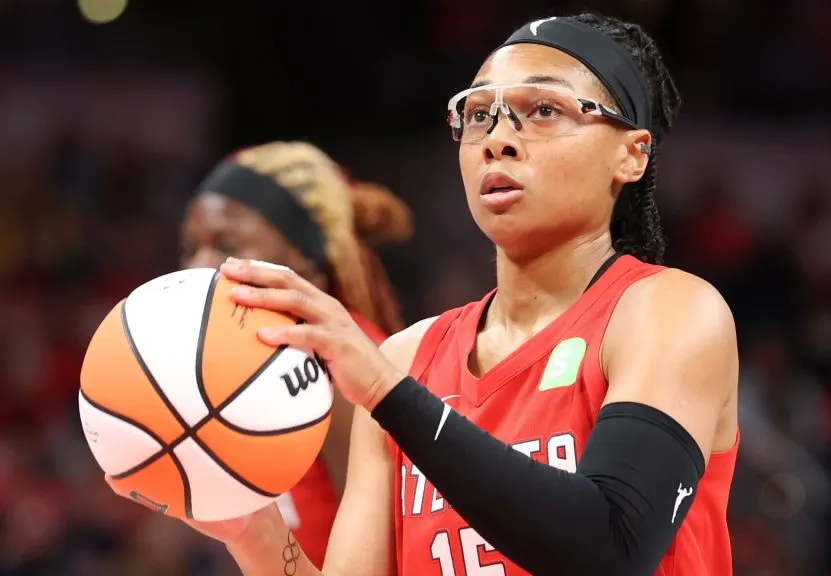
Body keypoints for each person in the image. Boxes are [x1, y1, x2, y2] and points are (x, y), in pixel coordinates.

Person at [109, 13, 740, 576]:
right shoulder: (412, 356)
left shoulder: (670, 313)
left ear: (632, 156)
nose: (499, 136)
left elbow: (611, 547)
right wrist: (251, 532)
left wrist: (388, 394)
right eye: (477, 114)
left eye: (543, 110)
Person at [177, 141, 413, 569]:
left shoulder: (342, 364)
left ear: (305, 260)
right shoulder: (258, 357)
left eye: (226, 243)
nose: (199, 266)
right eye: (191, 246)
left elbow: (393, 556)